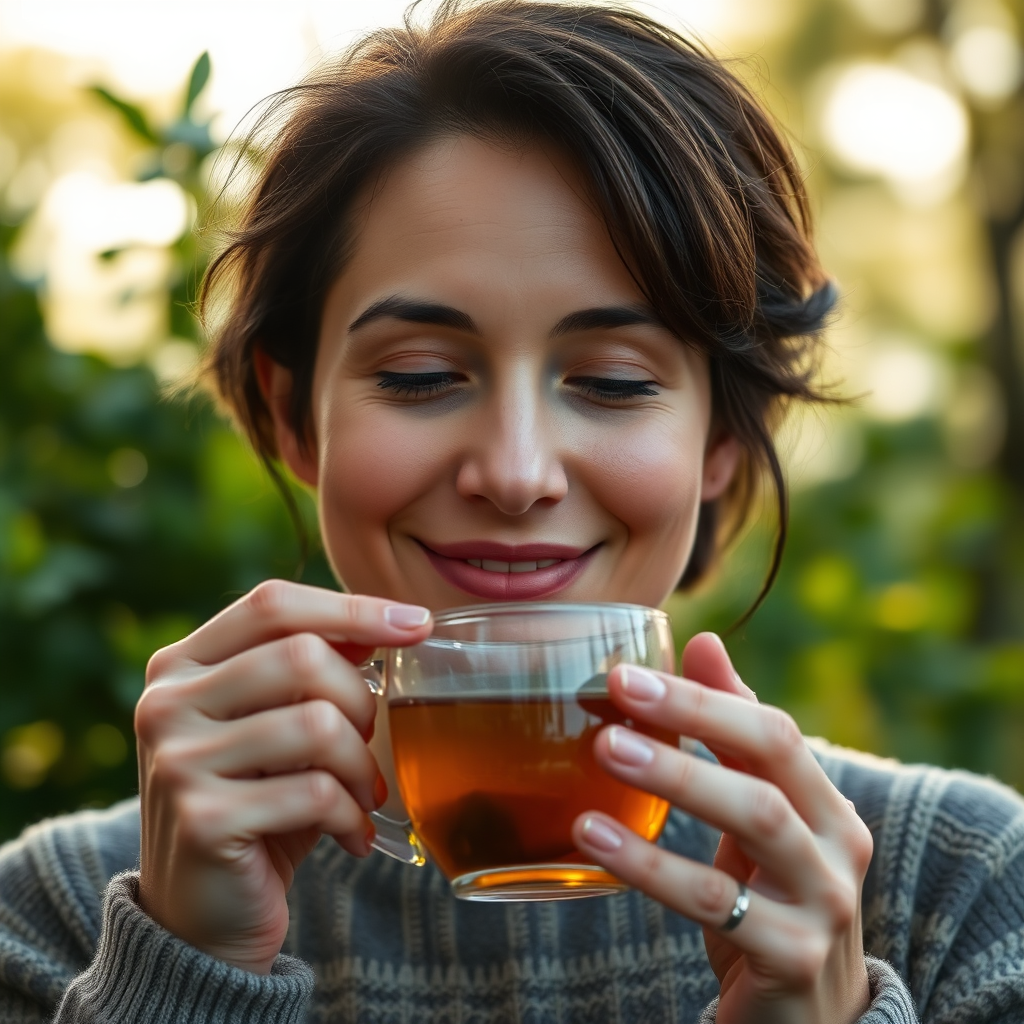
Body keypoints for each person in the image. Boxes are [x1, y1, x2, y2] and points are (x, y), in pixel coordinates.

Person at [2, 2, 1022, 1021]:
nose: (517, 471)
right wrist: (183, 972)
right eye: (420, 374)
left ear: (721, 439)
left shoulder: (966, 888)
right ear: (293, 417)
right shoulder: (53, 919)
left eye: (614, 382)